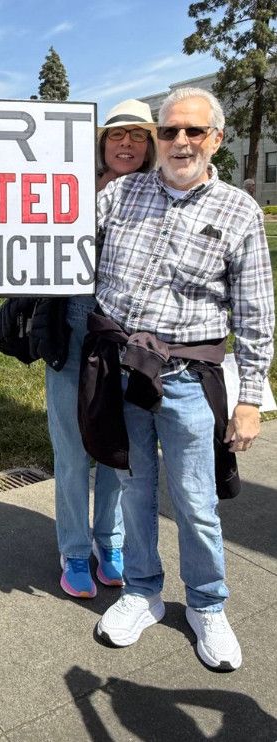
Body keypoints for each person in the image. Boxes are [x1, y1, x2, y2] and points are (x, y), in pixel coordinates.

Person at [94, 87, 274, 671]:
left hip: (190, 379)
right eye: (169, 131)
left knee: (196, 501)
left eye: (194, 131)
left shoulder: (238, 211)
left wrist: (251, 399)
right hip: (122, 372)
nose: (180, 142)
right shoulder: (119, 196)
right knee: (134, 490)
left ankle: (206, 605)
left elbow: (254, 313)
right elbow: (50, 229)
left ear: (216, 138)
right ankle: (142, 592)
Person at [45, 99, 156, 598]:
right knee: (71, 454)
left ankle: (107, 543)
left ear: (150, 145)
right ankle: (72, 551)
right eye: (116, 135)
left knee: (118, 452)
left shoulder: (160, 194)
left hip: (129, 343)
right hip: (72, 337)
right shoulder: (69, 191)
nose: (126, 144)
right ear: (101, 144)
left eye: (136, 135)